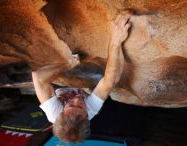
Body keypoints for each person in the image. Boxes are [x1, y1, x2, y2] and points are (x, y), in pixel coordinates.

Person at [32, 11, 133, 143]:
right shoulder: (90, 111)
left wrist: (69, 64)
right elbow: (110, 81)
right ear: (86, 116)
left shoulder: (54, 113)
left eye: (70, 105)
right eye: (80, 107)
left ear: (61, 113)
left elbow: (38, 76)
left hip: (61, 86)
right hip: (86, 88)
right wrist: (116, 41)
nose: (76, 100)